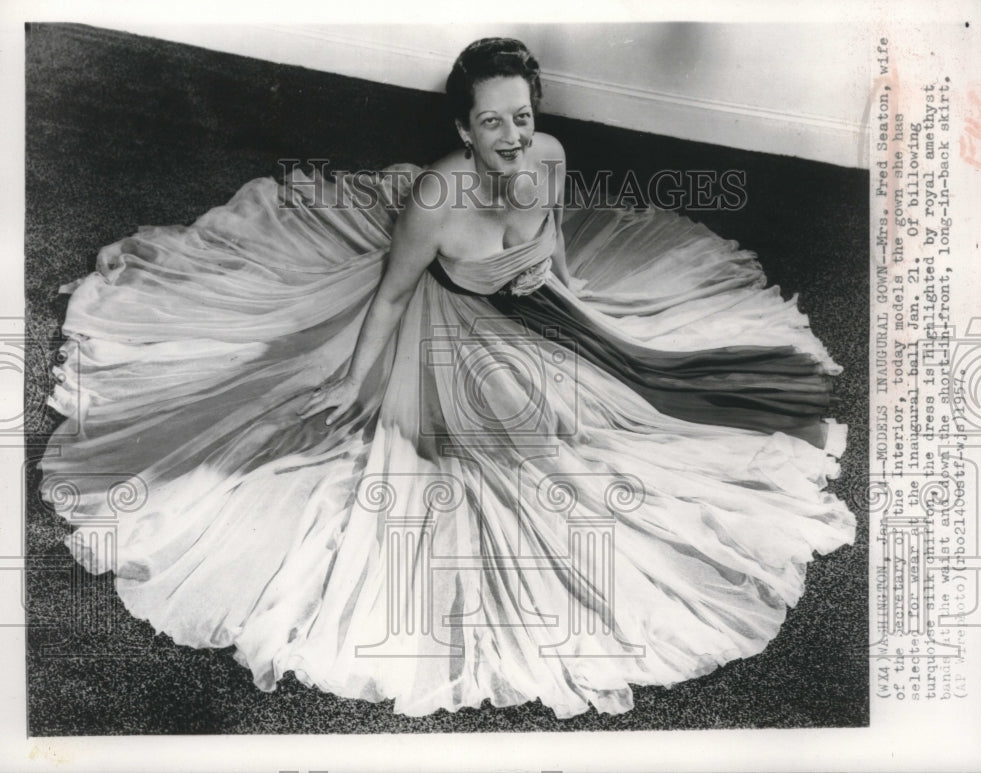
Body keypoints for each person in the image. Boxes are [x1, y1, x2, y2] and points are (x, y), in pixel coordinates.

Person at [41, 37, 855, 718]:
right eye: (491, 121)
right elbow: (392, 295)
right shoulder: (434, 199)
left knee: (644, 411)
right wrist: (354, 384)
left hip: (541, 315)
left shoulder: (551, 155)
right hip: (451, 334)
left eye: (523, 118)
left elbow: (556, 236)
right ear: (464, 128)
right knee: (525, 470)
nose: (511, 137)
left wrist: (578, 299)